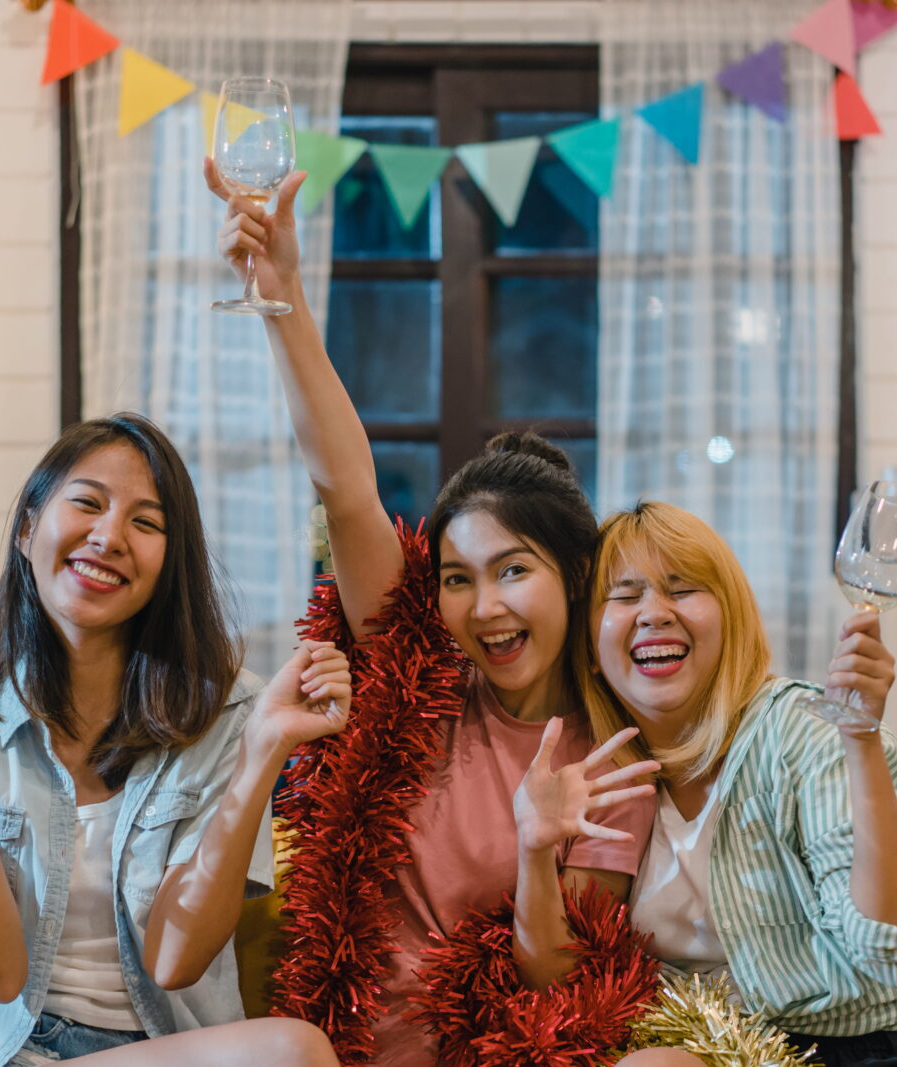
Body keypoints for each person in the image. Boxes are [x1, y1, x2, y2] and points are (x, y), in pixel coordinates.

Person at [207, 163, 661, 1066]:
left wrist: (540, 846)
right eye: (457, 576)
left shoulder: (611, 760)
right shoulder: (421, 671)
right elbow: (346, 490)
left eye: (513, 570)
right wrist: (285, 300)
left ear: (575, 576)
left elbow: (561, 990)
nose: (483, 606)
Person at [0, 413, 348, 1066]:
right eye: (87, 502)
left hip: (158, 1048)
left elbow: (176, 959)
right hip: (2, 1052)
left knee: (294, 1051)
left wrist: (262, 754)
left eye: (145, 522)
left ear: (168, 561)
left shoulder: (230, 714)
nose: (110, 536)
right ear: (28, 529)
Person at [574, 501, 897, 1067]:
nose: (654, 612)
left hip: (885, 1045)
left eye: (682, 588)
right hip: (737, 1053)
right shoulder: (594, 777)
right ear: (589, 648)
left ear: (730, 618)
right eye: (625, 594)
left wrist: (859, 739)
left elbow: (885, 950)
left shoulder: (802, 732)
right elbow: (563, 978)